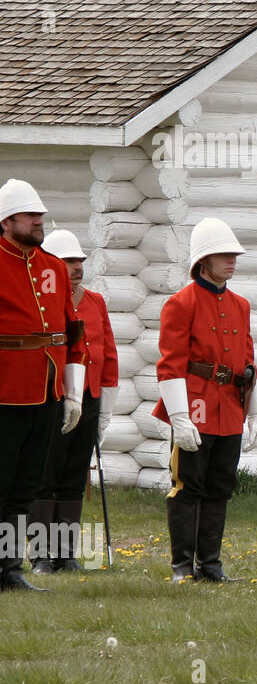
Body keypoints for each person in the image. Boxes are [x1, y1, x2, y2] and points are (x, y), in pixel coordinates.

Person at [154, 218, 257, 583]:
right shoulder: (180, 303)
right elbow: (170, 364)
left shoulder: (241, 304)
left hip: (230, 404)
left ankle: (210, 565)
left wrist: (256, 411)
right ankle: (182, 566)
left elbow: (248, 362)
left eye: (234, 255)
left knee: (220, 485)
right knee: (188, 484)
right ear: (203, 261)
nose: (232, 260)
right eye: (224, 255)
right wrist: (180, 417)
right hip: (195, 402)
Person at [0, 179, 87, 591]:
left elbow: (71, 332)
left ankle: (10, 569)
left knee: (25, 487)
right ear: (7, 220)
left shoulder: (53, 266)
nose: (40, 222)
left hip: (47, 391)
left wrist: (72, 391)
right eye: (31, 216)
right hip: (5, 391)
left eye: (40, 216)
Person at [30, 230, 118, 573]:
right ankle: (41, 555)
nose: (77, 267)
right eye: (68, 261)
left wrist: (105, 411)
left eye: (79, 260)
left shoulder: (95, 301)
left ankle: (65, 554)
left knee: (73, 478)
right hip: (53, 398)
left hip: (90, 398)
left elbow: (107, 356)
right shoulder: (42, 301)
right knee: (46, 478)